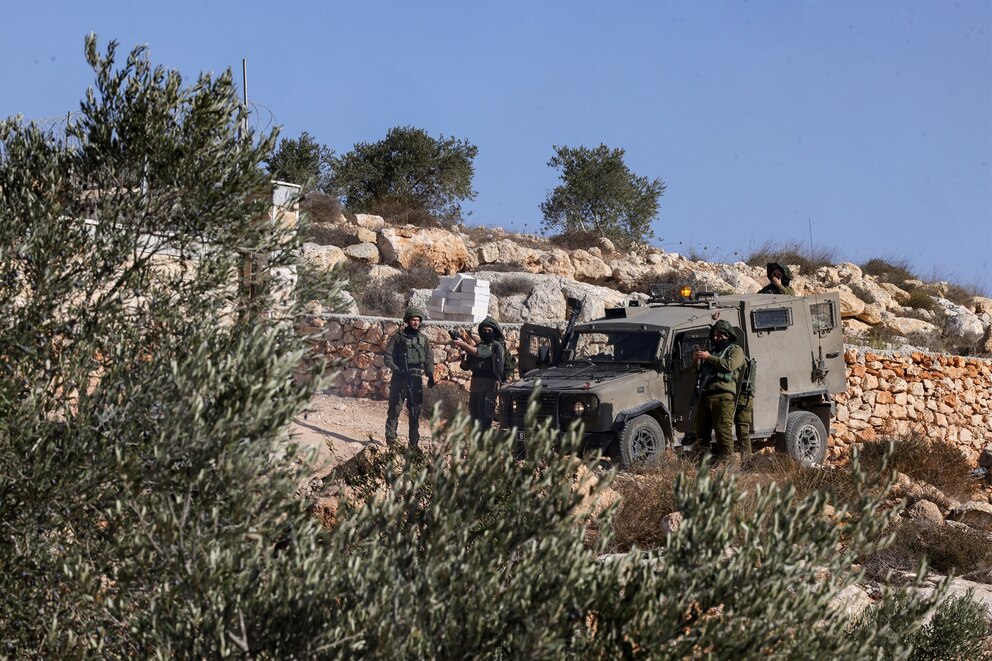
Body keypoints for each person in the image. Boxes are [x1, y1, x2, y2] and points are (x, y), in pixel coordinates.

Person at [693, 319, 745, 461]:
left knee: (723, 431)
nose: (717, 338)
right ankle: (703, 462)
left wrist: (709, 357)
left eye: (720, 335)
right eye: (715, 335)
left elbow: (729, 365)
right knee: (701, 432)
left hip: (723, 396)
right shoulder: (712, 352)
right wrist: (696, 361)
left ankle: (728, 462)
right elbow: (698, 373)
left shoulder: (735, 350)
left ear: (728, 335)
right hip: (705, 395)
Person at [384, 307, 435, 449]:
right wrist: (396, 369)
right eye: (413, 320)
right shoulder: (398, 337)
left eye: (418, 320)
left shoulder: (423, 339)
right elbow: (388, 356)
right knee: (394, 408)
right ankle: (391, 441)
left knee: (414, 411)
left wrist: (430, 375)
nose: (416, 323)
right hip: (400, 376)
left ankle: (413, 444)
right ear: (407, 321)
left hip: (416, 377)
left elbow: (429, 359)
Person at [453, 316, 506, 429]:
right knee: (474, 413)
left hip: (488, 384)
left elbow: (481, 354)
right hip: (476, 385)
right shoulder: (478, 346)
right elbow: (466, 367)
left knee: (485, 415)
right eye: (484, 330)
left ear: (494, 331)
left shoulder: (495, 345)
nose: (486, 333)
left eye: (489, 330)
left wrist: (464, 345)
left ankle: (484, 442)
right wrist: (463, 357)